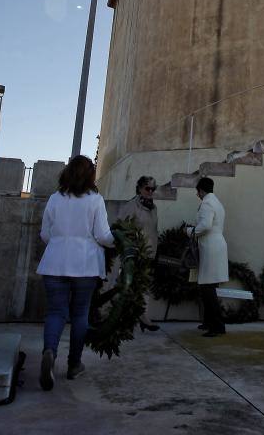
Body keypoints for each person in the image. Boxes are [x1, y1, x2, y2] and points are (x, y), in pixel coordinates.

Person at [37, 155, 114, 391]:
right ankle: (74, 364)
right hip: (85, 263)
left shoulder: (54, 199)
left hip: (55, 262)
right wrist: (116, 242)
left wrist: (60, 243)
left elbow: (45, 234)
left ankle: (49, 350)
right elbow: (102, 235)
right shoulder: (95, 200)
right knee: (80, 314)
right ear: (91, 175)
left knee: (56, 312)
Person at [187, 177, 229, 337]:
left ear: (201, 190)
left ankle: (217, 326)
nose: (197, 195)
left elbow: (205, 225)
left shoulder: (206, 203)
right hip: (216, 246)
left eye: (197, 191)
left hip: (211, 248)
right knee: (208, 287)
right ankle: (208, 322)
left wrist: (190, 232)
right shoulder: (216, 202)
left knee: (207, 288)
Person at [120, 175, 160, 331]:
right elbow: (120, 226)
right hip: (135, 252)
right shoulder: (131, 206)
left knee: (145, 286)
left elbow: (154, 230)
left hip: (150, 252)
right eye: (147, 188)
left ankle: (144, 317)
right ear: (139, 189)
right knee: (129, 285)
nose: (150, 191)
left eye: (153, 189)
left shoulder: (154, 208)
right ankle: (124, 319)